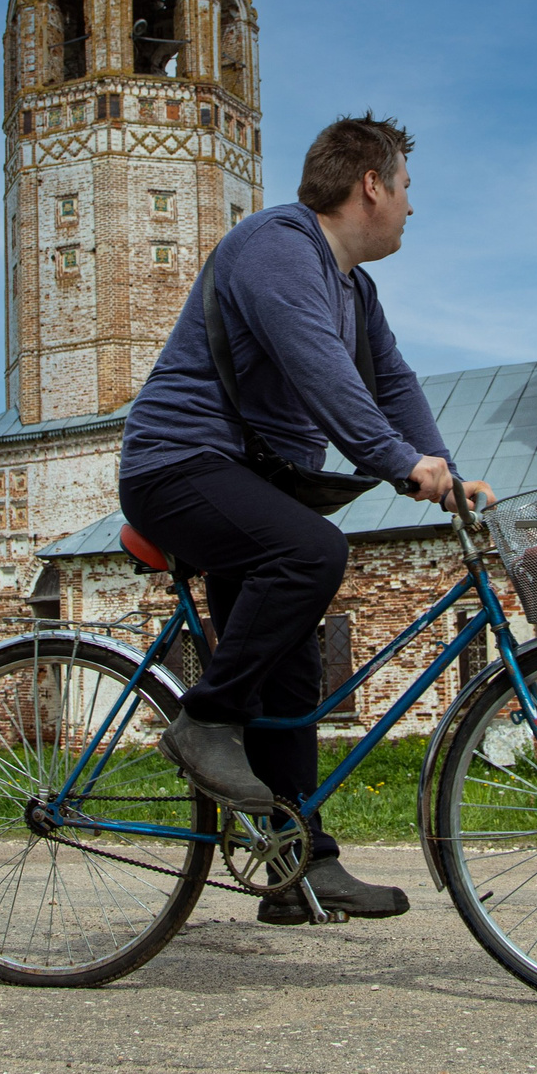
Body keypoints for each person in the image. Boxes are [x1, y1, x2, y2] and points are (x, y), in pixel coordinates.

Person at [119, 113, 493, 924]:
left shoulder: (355, 289)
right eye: (406, 187)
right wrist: (399, 462)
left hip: (250, 484)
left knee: (291, 680)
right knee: (313, 551)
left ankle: (299, 867)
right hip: (178, 468)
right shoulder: (277, 246)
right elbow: (323, 373)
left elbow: (391, 383)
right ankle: (204, 720)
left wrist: (447, 476)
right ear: (371, 185)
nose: (411, 206)